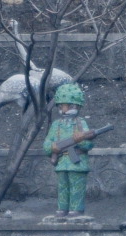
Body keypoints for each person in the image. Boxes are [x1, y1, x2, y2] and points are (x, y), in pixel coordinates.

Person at [43, 83, 93, 218]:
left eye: (69, 106)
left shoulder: (80, 123)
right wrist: (52, 147)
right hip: (62, 162)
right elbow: (47, 143)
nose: (64, 110)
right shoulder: (56, 124)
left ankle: (76, 209)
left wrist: (81, 140)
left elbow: (89, 144)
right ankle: (62, 208)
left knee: (77, 187)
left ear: (76, 106)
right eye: (61, 106)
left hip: (77, 162)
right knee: (63, 187)